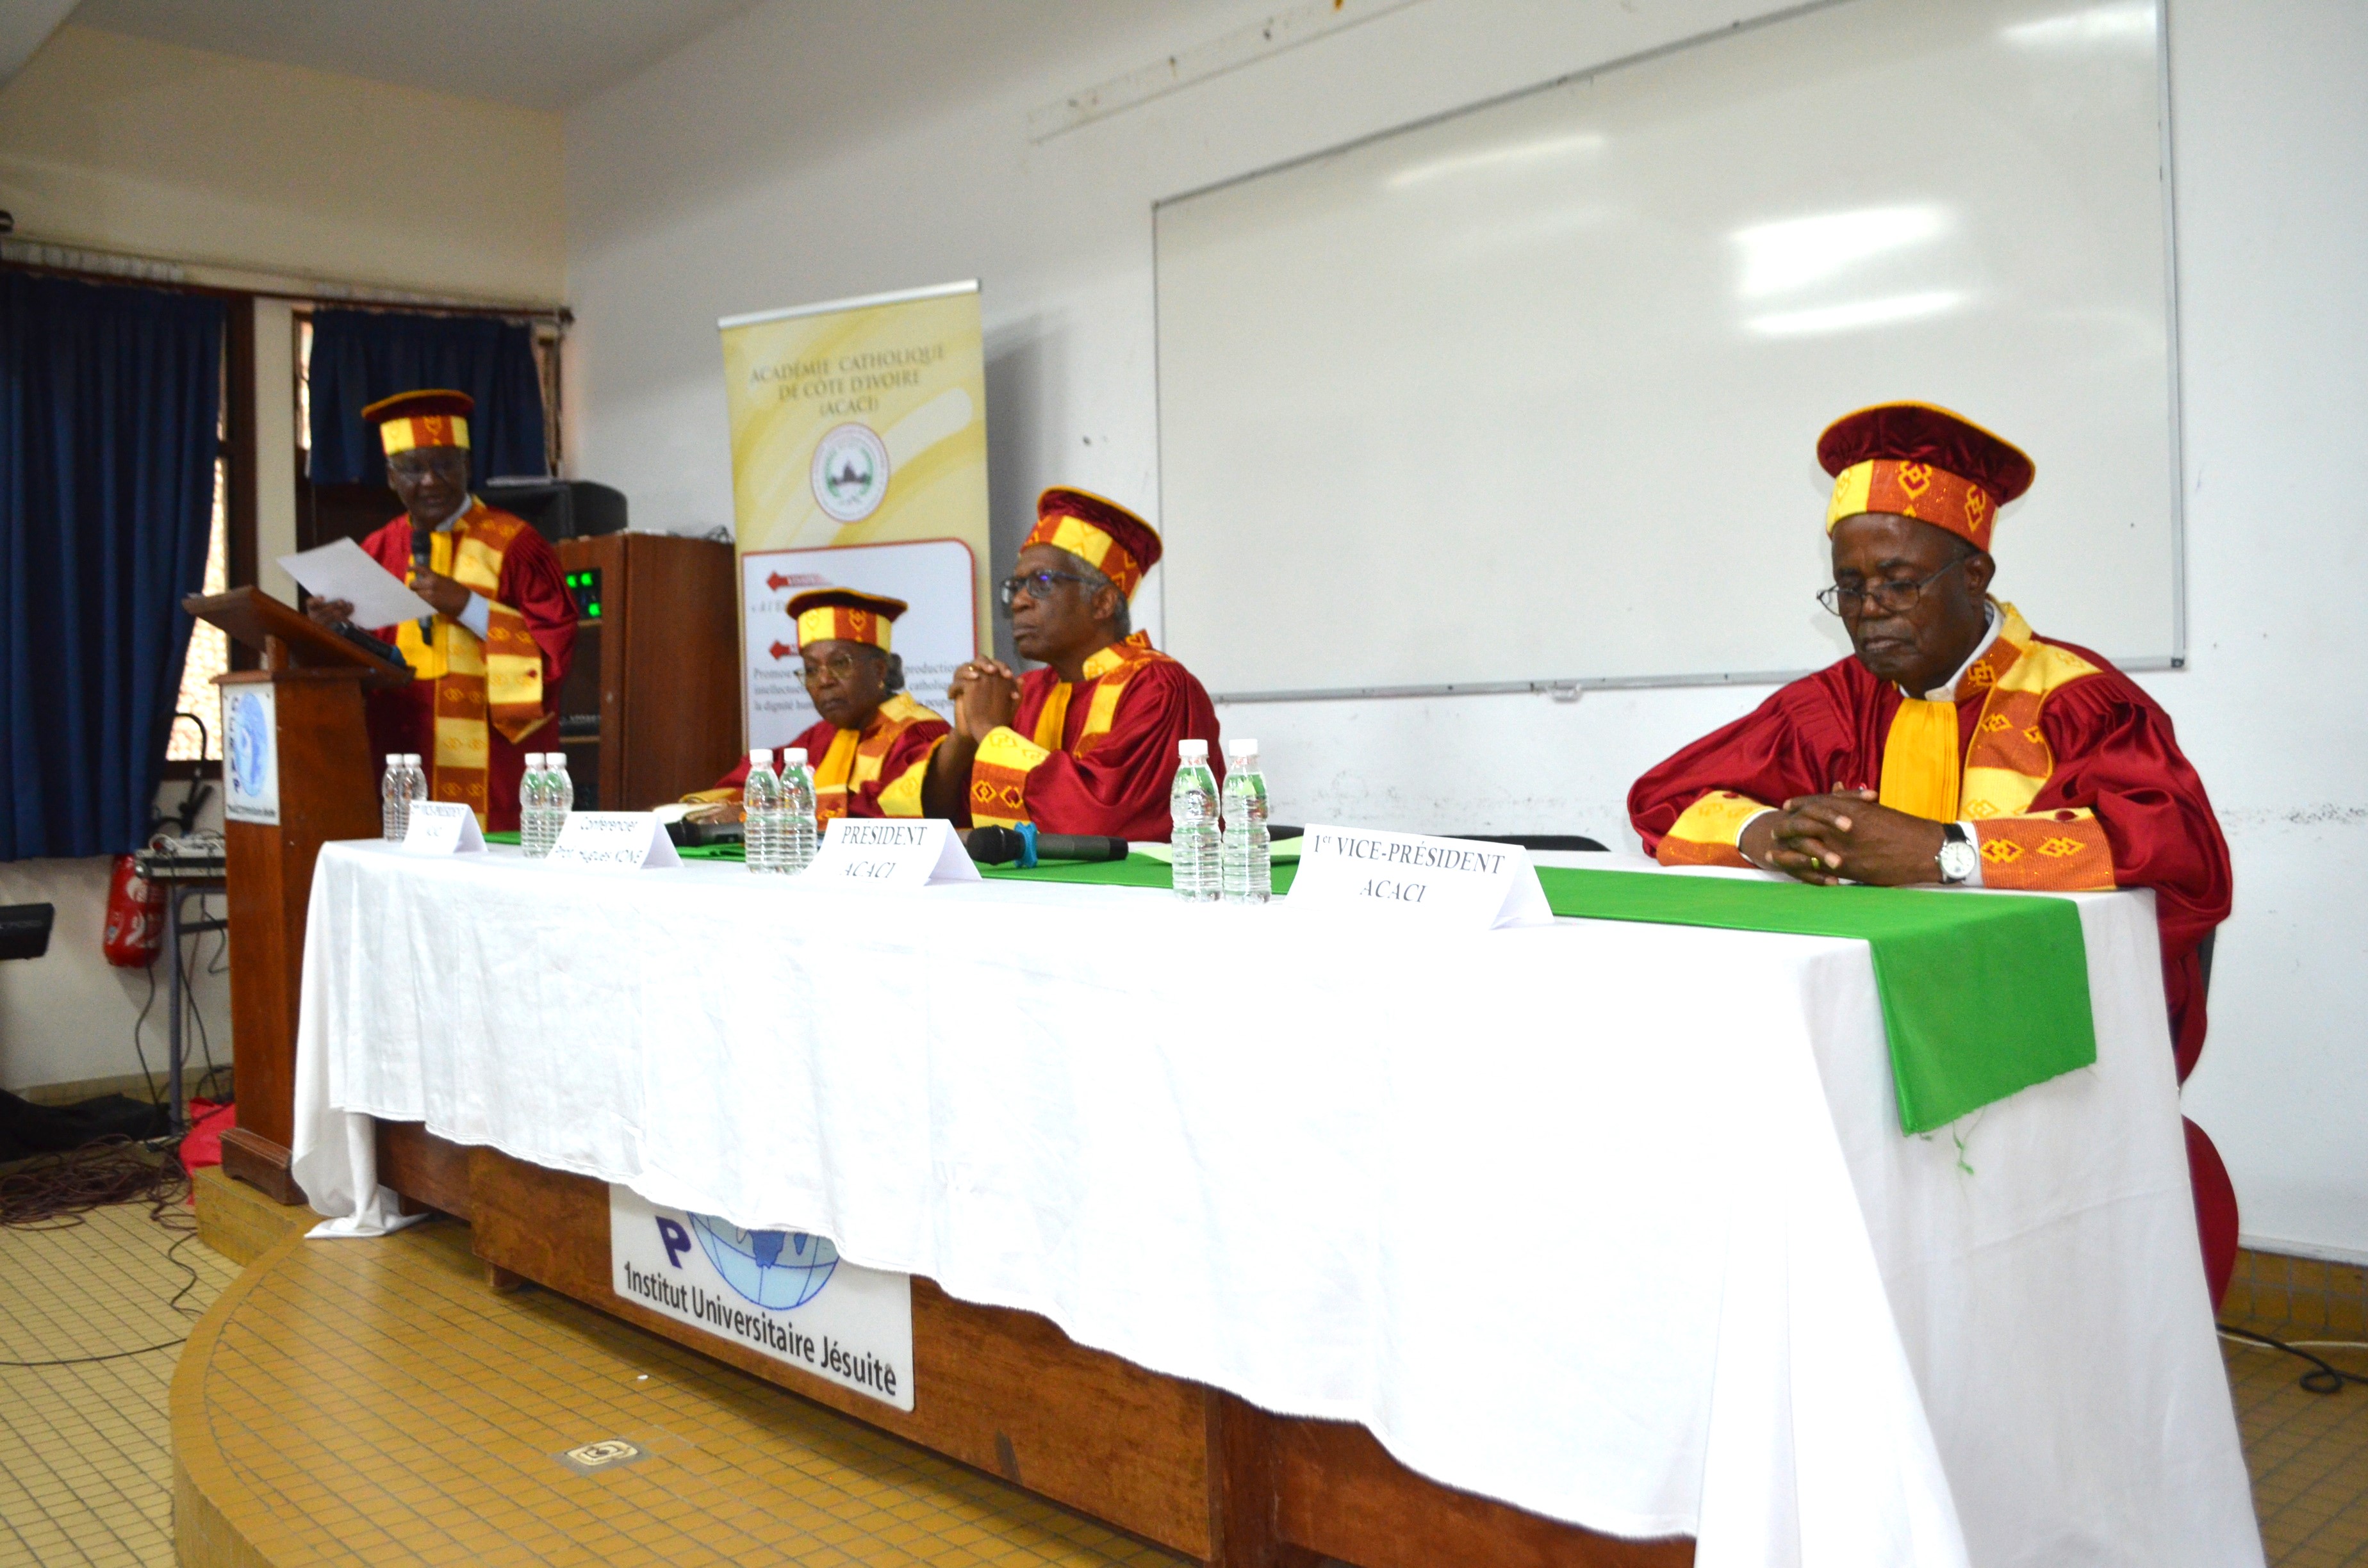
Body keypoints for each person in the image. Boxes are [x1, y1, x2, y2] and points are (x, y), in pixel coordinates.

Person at [1627, 401, 2238, 1298]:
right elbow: (1664, 797)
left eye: (1899, 582)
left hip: (2033, 1052)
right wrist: (1766, 834)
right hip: (1863, 1050)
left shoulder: (2076, 701)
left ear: (1976, 573)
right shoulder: (1836, 704)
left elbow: (2175, 849)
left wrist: (1946, 852)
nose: (1870, 613)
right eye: (1850, 587)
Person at [302, 389, 575, 833]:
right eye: (412, 468)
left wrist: (466, 605)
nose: (430, 480)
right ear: (391, 477)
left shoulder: (518, 545)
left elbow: (557, 648)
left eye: (446, 463)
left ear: (467, 466)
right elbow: (361, 670)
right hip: (403, 762)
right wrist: (332, 635)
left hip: (494, 769)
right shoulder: (375, 552)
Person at [920, 487, 1222, 838]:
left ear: (1103, 603)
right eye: (1016, 586)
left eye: (1042, 582)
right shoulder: (1026, 693)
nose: (1019, 601)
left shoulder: (1158, 687)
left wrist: (991, 731)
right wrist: (964, 734)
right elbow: (943, 818)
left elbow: (1098, 823)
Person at [682, 589, 950, 822]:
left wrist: (756, 813)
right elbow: (758, 778)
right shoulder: (822, 736)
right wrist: (696, 811)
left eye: (840, 663)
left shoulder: (919, 732)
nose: (823, 680)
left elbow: (889, 809)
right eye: (811, 669)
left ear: (879, 671)